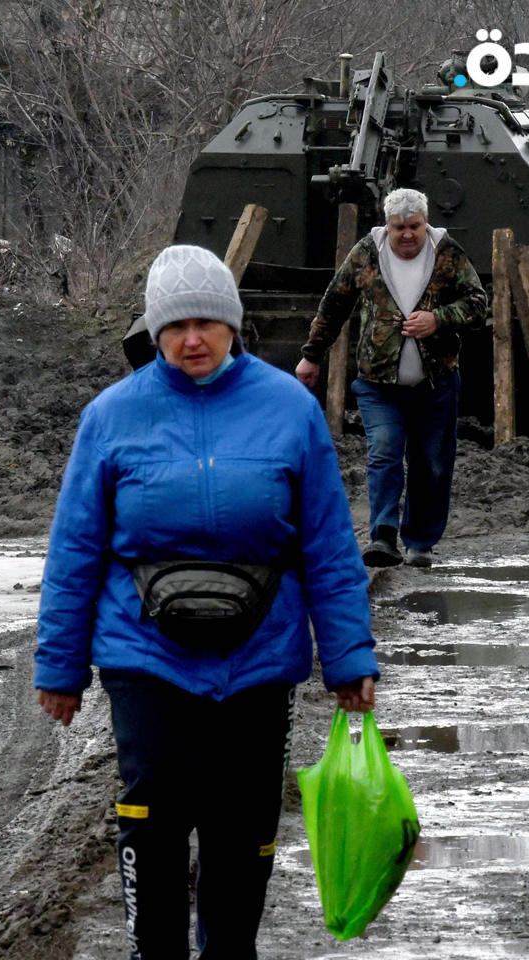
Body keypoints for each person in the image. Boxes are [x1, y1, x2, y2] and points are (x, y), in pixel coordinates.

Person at [35, 244, 380, 959]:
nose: (191, 339)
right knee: (153, 815)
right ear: (154, 331)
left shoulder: (289, 408)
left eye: (206, 323)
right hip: (145, 653)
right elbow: (75, 553)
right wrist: (60, 667)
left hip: (259, 658)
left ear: (233, 324)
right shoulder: (111, 417)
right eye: (174, 325)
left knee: (242, 825)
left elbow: (327, 545)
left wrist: (348, 656)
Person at [295, 188, 487, 569]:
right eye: (399, 227)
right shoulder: (367, 254)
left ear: (425, 223)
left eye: (414, 226)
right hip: (377, 383)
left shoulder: (447, 253)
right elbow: (334, 304)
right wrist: (310, 355)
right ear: (388, 225)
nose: (407, 235)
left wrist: (439, 319)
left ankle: (420, 541)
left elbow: (478, 304)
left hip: (437, 382)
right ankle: (383, 537)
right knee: (383, 452)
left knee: (431, 461)